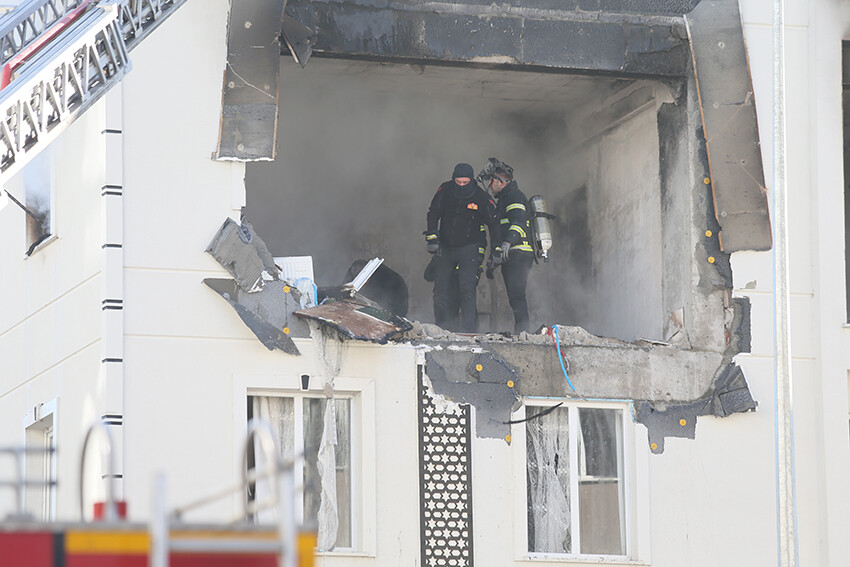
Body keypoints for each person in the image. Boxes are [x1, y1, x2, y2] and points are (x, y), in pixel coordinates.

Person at [425, 163, 497, 332]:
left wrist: (496, 250)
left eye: (465, 182)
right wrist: (432, 237)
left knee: (467, 291)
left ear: (471, 180)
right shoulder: (445, 190)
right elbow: (433, 213)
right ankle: (440, 330)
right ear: (453, 179)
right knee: (440, 291)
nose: (462, 186)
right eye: (459, 182)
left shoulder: (481, 197)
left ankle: (469, 332)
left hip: (469, 250)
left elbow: (493, 225)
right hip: (445, 248)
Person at [483, 159, 534, 333]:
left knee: (517, 296)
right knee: (514, 297)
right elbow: (498, 231)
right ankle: (521, 332)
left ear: (501, 181)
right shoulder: (504, 199)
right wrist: (492, 261)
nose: (489, 185)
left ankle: (523, 334)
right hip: (511, 254)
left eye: (491, 180)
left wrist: (507, 242)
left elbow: (519, 221)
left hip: (519, 253)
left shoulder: (514, 196)